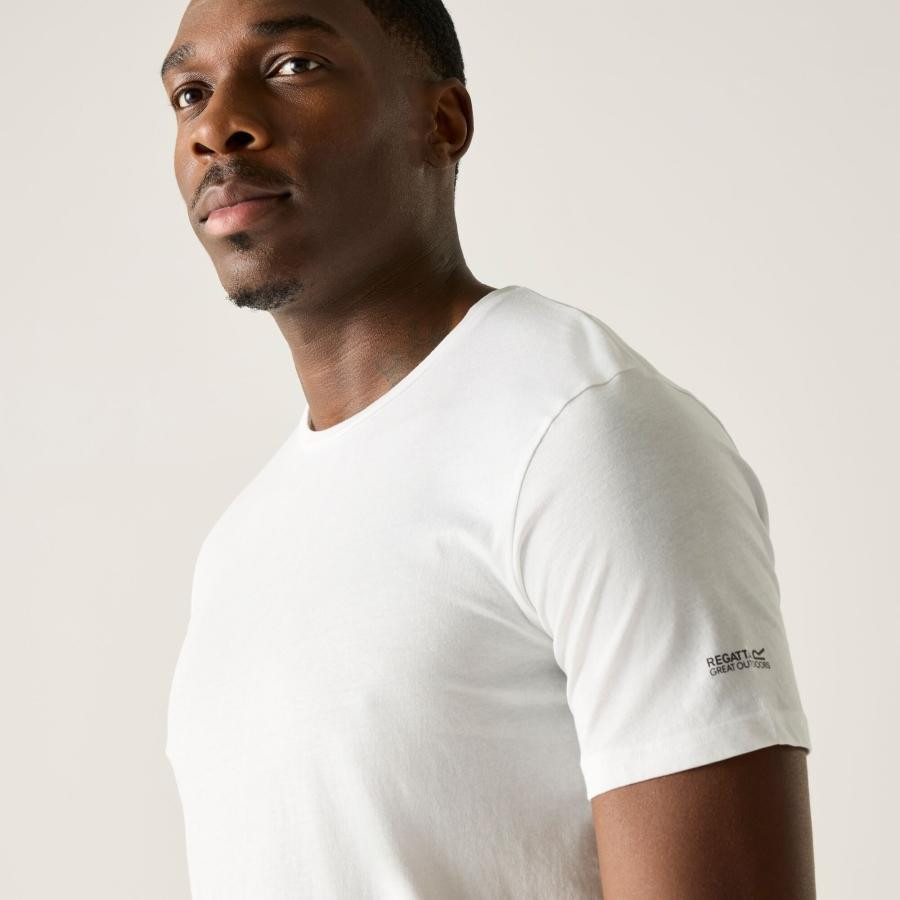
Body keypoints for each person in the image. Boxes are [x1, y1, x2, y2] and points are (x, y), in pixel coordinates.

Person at [159, 1, 816, 897]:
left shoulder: (586, 435)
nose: (216, 127)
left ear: (442, 122)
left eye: (294, 65)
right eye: (189, 93)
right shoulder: (240, 542)